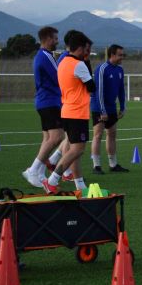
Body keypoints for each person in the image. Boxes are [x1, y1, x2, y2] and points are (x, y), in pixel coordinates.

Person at [42, 30, 95, 195]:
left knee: (74, 151)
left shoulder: (63, 62)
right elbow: (91, 87)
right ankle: (52, 180)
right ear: (80, 48)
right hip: (77, 112)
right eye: (86, 48)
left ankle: (80, 186)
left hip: (67, 110)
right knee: (77, 150)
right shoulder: (78, 64)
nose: (87, 52)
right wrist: (86, 64)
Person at [22, 26, 64, 187]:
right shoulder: (45, 56)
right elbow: (60, 76)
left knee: (48, 138)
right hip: (49, 102)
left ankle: (39, 172)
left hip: (45, 101)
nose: (56, 41)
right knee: (57, 137)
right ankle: (33, 170)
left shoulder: (43, 56)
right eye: (54, 38)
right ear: (47, 39)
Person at [88, 44, 127, 174]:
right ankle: (96, 166)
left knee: (112, 134)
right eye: (120, 55)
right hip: (99, 107)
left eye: (123, 54)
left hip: (111, 107)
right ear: (112, 55)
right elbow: (98, 91)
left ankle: (113, 164)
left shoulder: (120, 70)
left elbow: (121, 90)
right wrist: (102, 111)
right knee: (98, 135)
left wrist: (122, 106)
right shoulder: (102, 69)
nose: (122, 57)